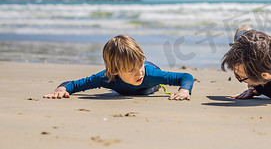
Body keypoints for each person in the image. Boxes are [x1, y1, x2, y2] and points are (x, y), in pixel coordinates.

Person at [44, 35, 193, 101]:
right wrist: (61, 89)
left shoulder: (150, 74)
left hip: (151, 84)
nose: (139, 72)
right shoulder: (107, 78)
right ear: (115, 71)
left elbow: (185, 77)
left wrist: (184, 90)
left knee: (150, 82)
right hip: (123, 83)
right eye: (131, 69)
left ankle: (144, 75)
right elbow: (76, 84)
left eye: (139, 65)